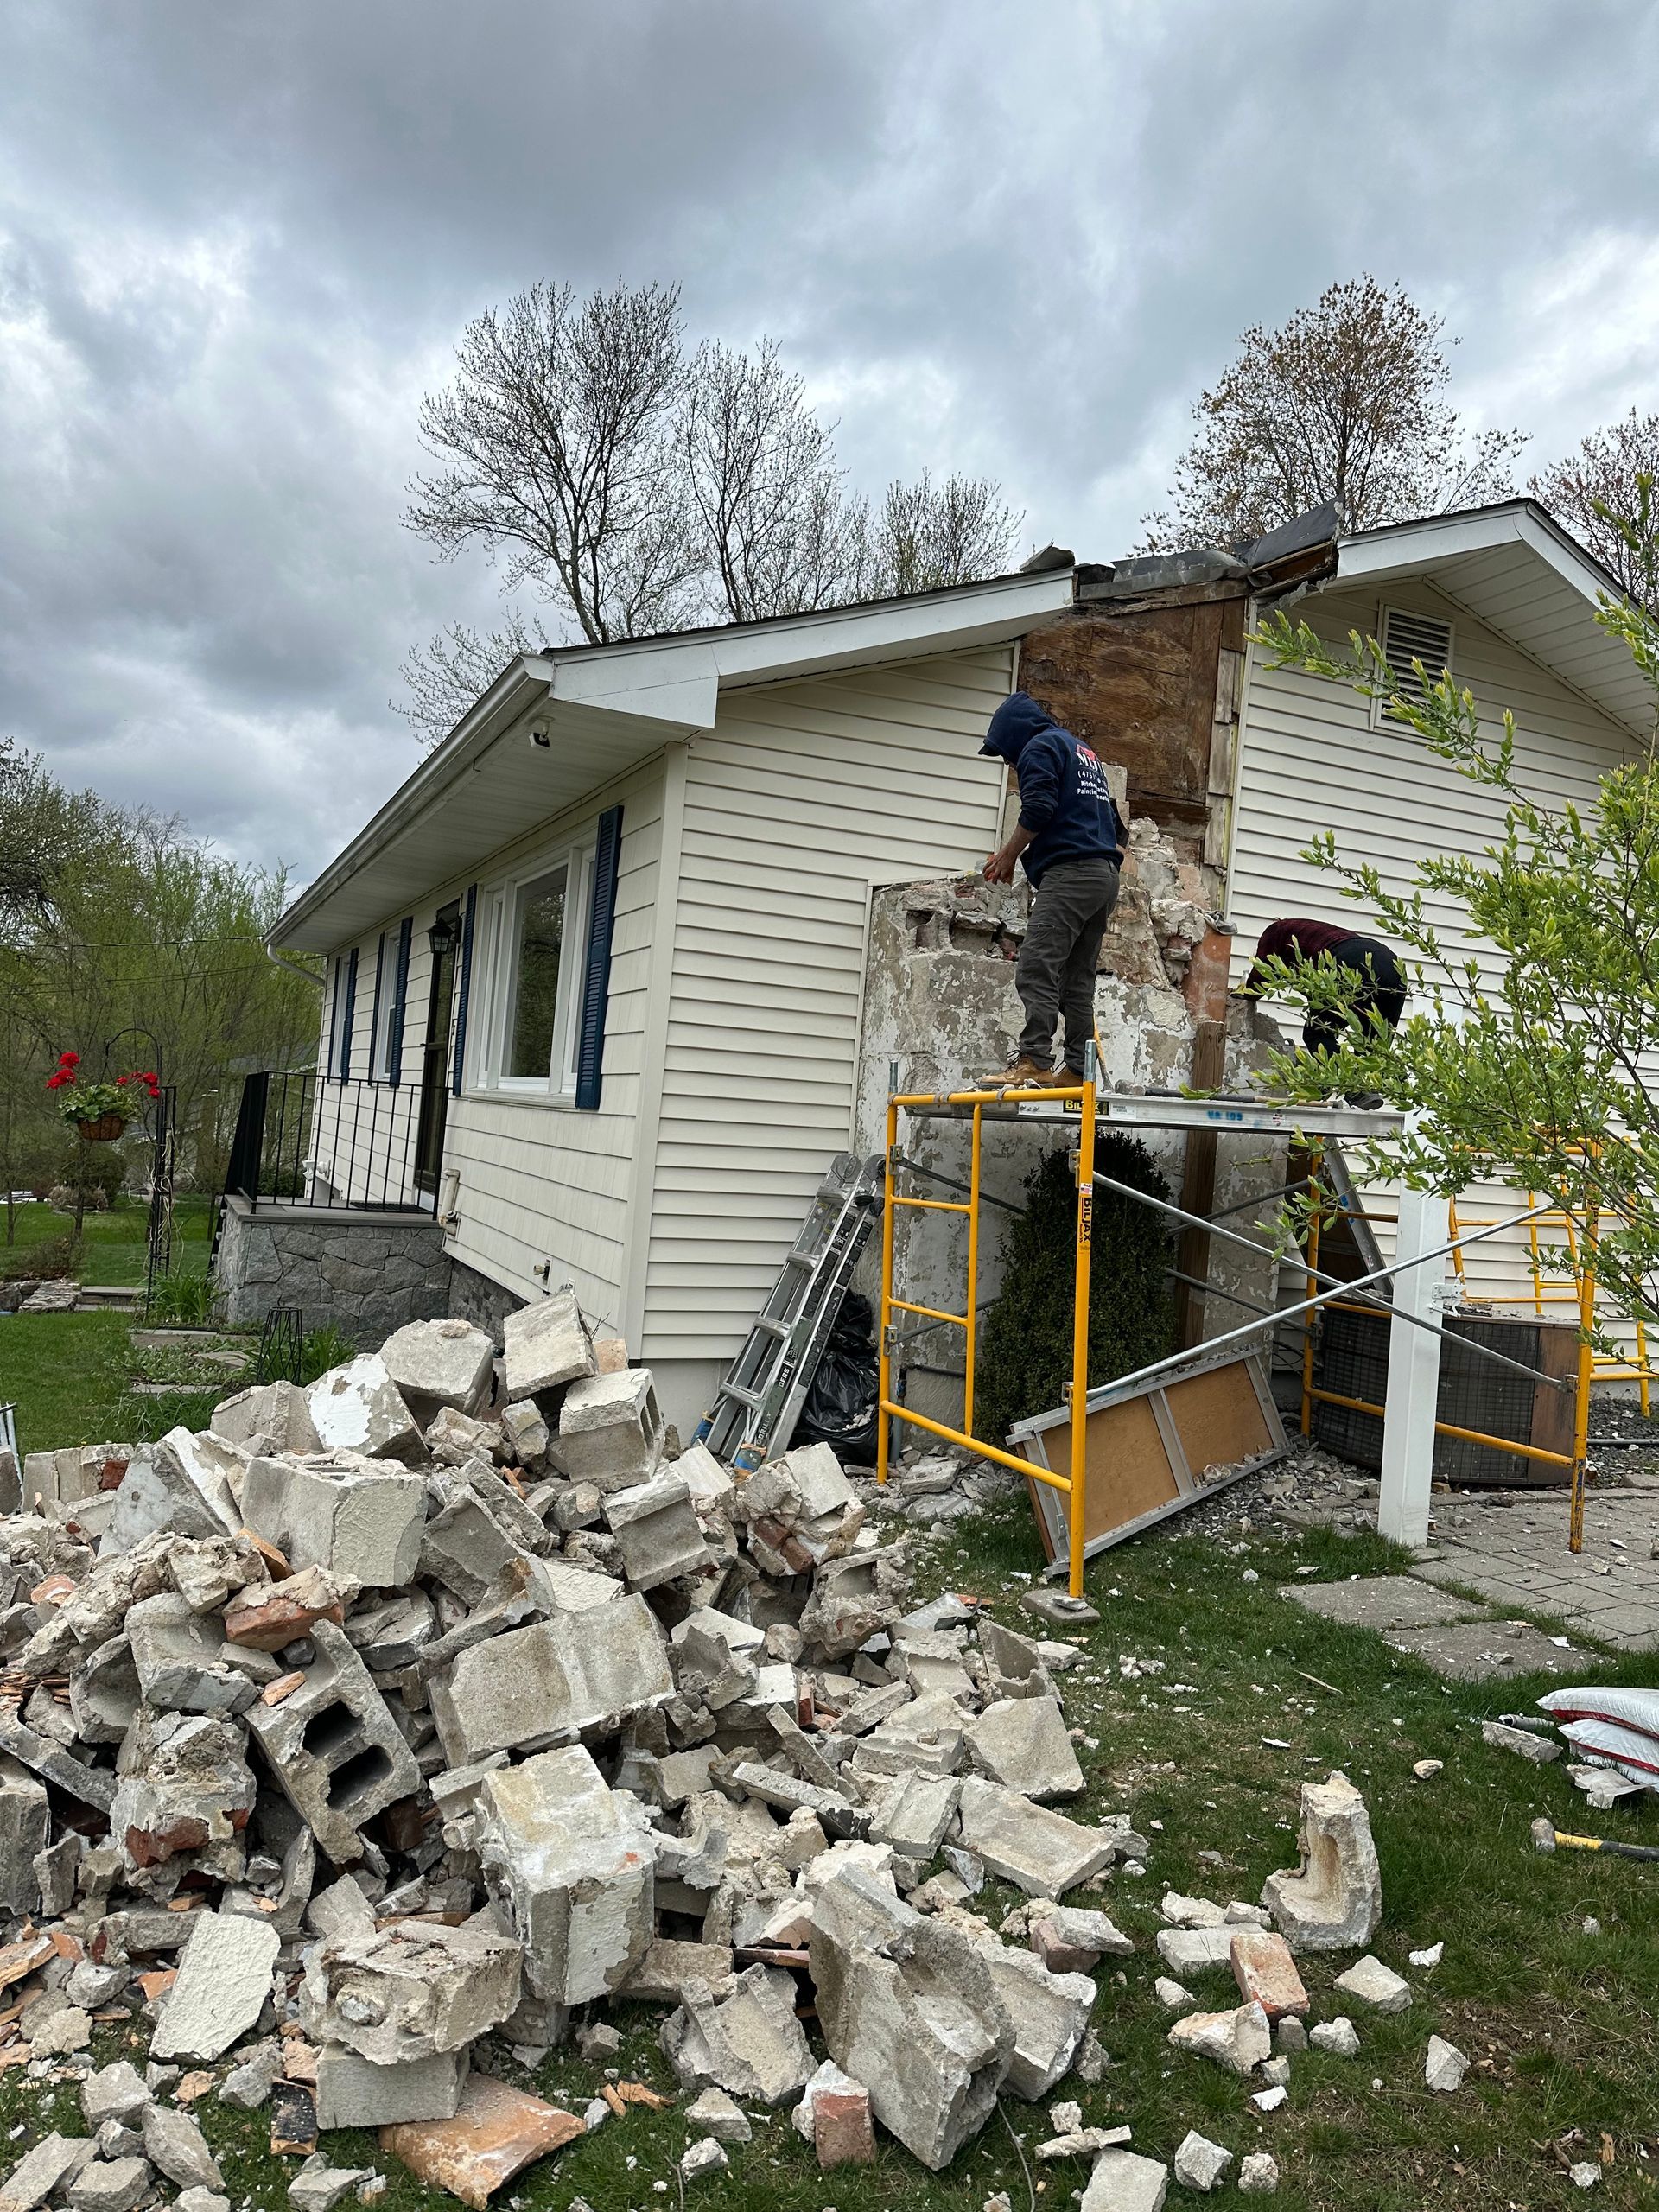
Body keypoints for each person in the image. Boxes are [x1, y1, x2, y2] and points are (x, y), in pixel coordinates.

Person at [978, 690, 1126, 1088]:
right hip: (1103, 876)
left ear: (1014, 734)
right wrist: (1104, 862)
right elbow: (1116, 824)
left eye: (1005, 753)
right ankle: (1079, 1069)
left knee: (1036, 965)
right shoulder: (1083, 752)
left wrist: (1009, 855)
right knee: (1076, 980)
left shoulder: (1037, 747)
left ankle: (1033, 1061)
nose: (1009, 762)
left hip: (1071, 874)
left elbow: (1038, 809)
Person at [1240, 918, 1408, 1057]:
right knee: (1374, 1045)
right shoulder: (1312, 935)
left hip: (1349, 960)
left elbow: (1262, 971)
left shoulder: (1275, 931)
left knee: (1318, 1033)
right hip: (1394, 966)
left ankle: (1356, 1092)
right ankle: (1364, 1091)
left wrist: (1246, 995)